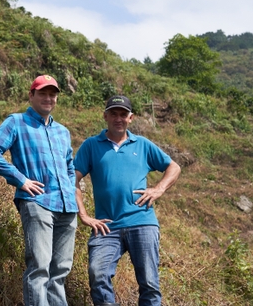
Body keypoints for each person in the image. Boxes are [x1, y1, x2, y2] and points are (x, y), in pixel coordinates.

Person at [74, 95, 181, 306]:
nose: (118, 119)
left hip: (142, 222)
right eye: (113, 114)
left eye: (123, 114)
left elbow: (174, 167)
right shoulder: (91, 146)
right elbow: (73, 180)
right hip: (107, 226)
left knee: (149, 283)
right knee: (98, 274)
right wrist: (84, 216)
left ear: (131, 118)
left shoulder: (141, 144)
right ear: (105, 116)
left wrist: (158, 189)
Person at [0, 75, 78, 306]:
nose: (48, 98)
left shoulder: (62, 131)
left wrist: (71, 189)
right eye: (42, 93)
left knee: (60, 271)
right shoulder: (16, 122)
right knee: (40, 267)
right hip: (38, 202)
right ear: (31, 95)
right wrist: (20, 180)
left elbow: (69, 166)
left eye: (52, 94)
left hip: (66, 206)